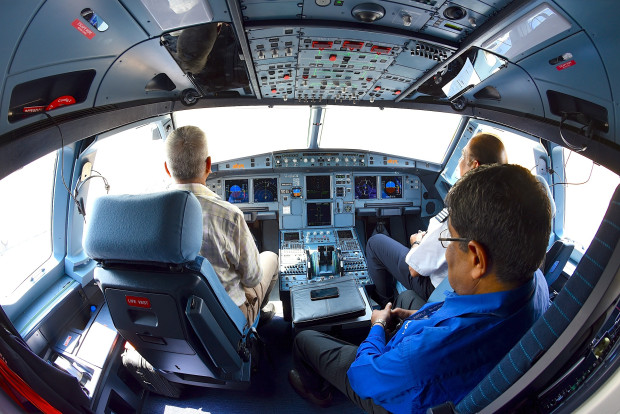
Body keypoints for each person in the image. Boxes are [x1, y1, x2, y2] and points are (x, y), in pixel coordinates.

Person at [289, 164, 552, 414]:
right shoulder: (536, 281)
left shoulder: (421, 357)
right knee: (406, 296)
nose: (446, 251)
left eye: (447, 239)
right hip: (470, 363)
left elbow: (364, 377)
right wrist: (415, 319)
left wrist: (377, 328)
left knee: (304, 340)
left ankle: (319, 393)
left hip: (401, 392)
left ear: (476, 258)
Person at [367, 133, 508, 308]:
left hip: (437, 289)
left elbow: (414, 270)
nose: (458, 162)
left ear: (474, 165)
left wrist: (417, 242)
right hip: (470, 288)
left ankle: (384, 302)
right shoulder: (506, 211)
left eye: (462, 156)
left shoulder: (460, 214)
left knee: (375, 242)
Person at [164, 125, 279, 325]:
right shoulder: (229, 215)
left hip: (175, 312)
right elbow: (252, 279)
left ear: (167, 168)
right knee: (270, 257)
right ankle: (257, 313)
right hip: (227, 317)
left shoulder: (152, 214)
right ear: (208, 165)